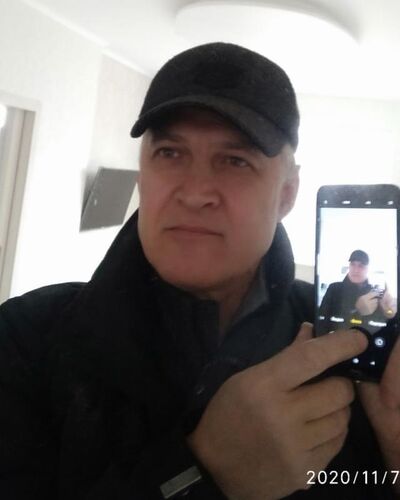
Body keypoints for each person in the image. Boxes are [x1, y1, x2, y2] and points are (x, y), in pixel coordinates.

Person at [0, 42, 399, 500]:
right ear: (142, 176)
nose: (194, 193)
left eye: (235, 160)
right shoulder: (24, 340)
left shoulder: (354, 350)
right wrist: (201, 472)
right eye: (170, 153)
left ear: (287, 193)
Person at [317, 250, 397, 335]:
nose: (355, 270)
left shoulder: (375, 293)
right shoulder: (334, 289)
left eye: (361, 266)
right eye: (353, 264)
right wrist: (356, 311)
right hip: (337, 340)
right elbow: (321, 320)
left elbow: (383, 325)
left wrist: (389, 313)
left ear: (367, 269)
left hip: (368, 341)